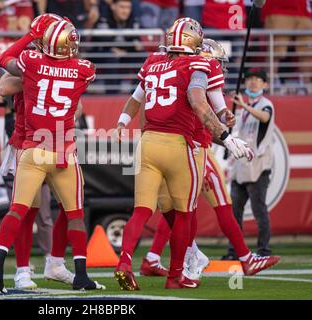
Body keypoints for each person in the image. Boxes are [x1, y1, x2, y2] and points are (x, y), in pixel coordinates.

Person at [113, 18, 254, 290]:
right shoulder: (200, 64)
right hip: (179, 144)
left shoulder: (153, 61)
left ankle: (124, 263)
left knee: (141, 211)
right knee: (185, 214)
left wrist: (121, 123)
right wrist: (226, 137)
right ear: (195, 41)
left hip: (147, 142)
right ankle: (175, 276)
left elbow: (135, 98)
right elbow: (198, 101)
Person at [135, 38, 279, 279]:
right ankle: (243, 258)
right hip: (195, 150)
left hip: (170, 147)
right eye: (217, 62)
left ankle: (157, 256)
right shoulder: (199, 84)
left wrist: (224, 116)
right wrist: (225, 133)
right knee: (219, 206)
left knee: (176, 209)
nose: (220, 67)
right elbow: (204, 122)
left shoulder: (179, 78)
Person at [0, 15, 105, 293]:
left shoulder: (32, 61)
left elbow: (7, 60)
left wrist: (31, 38)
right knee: (52, 211)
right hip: (49, 146)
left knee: (32, 208)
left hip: (35, 145)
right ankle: (38, 272)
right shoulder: (80, 68)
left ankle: (38, 263)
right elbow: (5, 86)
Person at [226, 68, 276, 258]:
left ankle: (264, 250)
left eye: (258, 79)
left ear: (265, 84)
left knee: (259, 211)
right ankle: (234, 250)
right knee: (234, 213)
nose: (253, 82)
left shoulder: (266, 104)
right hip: (241, 167)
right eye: (250, 79)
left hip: (259, 167)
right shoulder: (244, 110)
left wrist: (243, 106)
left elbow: (265, 117)